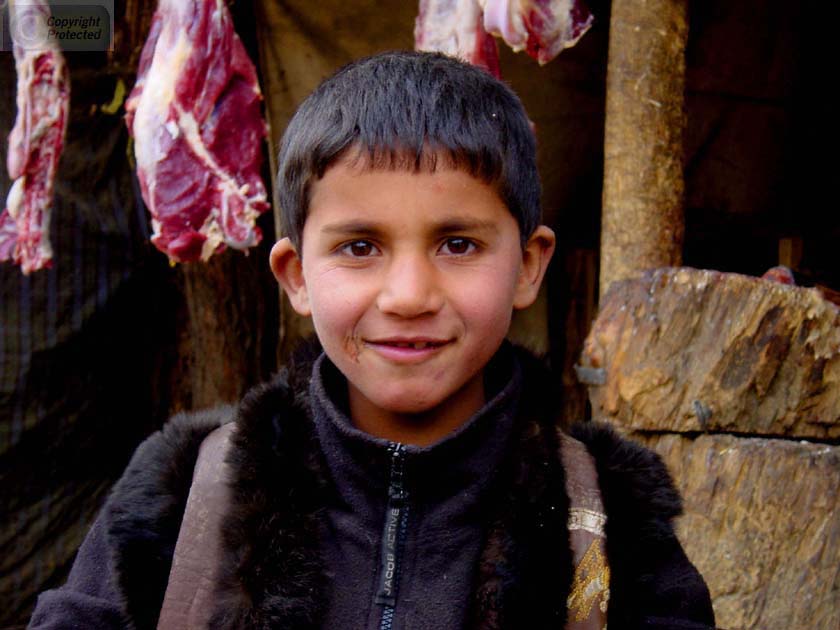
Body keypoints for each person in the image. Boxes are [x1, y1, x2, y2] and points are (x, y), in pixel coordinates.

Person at [29, 51, 715, 629]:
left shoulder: (609, 521)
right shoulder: (181, 497)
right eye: (360, 247)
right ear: (296, 276)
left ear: (528, 265)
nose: (409, 295)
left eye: (457, 243)